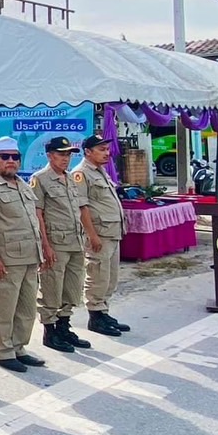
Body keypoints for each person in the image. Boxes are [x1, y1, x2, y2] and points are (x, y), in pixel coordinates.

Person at [0, 137, 48, 373]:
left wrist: (42, 250)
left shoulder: (23, 185)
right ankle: (3, 351)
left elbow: (33, 221)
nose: (11, 161)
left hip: (28, 256)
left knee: (26, 307)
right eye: (5, 157)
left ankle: (18, 347)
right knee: (4, 307)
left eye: (15, 157)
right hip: (6, 259)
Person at [31, 136, 93, 354]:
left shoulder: (70, 178)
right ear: (49, 156)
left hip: (75, 241)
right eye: (61, 154)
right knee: (51, 287)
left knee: (72, 287)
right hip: (56, 243)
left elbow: (77, 210)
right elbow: (38, 214)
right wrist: (45, 246)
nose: (66, 158)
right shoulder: (40, 179)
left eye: (68, 154)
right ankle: (50, 330)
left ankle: (64, 325)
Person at [76, 135, 131, 337]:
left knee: (110, 277)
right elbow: (82, 207)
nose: (107, 153)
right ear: (88, 152)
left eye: (107, 149)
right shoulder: (81, 174)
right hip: (99, 234)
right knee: (97, 275)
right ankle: (95, 316)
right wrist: (91, 235)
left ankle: (103, 312)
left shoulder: (101, 172)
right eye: (101, 149)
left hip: (112, 232)